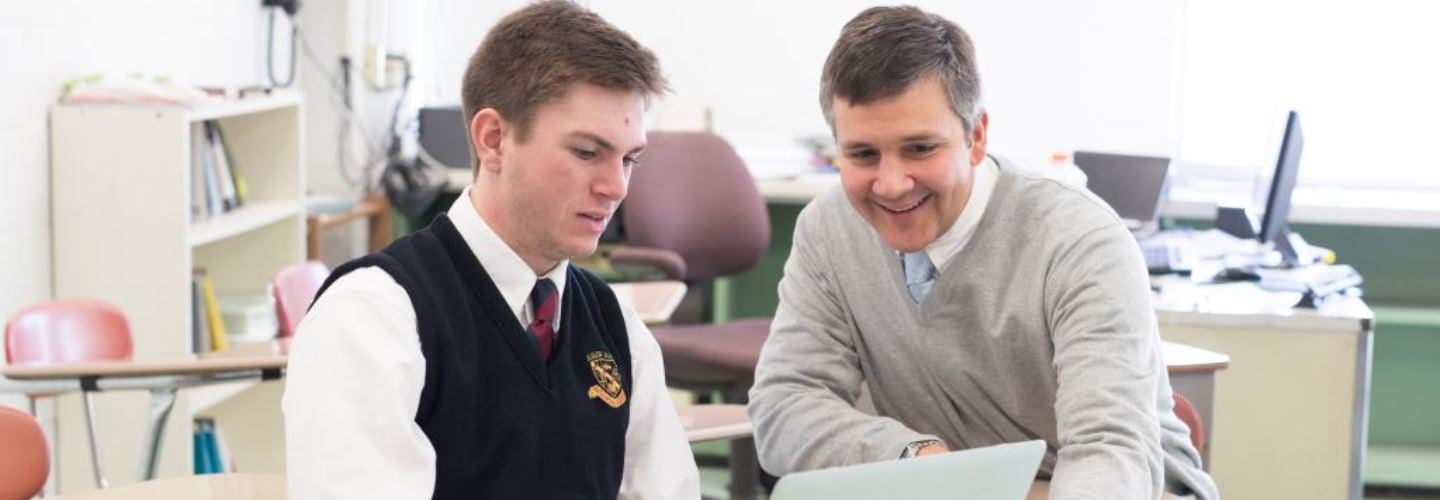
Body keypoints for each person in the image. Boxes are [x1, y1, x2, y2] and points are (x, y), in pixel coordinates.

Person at [747, 6, 1218, 499]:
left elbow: (1110, 451)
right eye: (863, 154)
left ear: (976, 136)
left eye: (920, 148)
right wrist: (919, 461)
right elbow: (784, 407)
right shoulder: (830, 229)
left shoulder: (1078, 240)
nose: (890, 183)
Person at [282, 2, 700, 499]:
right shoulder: (373, 317)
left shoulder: (616, 327)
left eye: (629, 159)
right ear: (494, 140)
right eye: (587, 152)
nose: (616, 187)